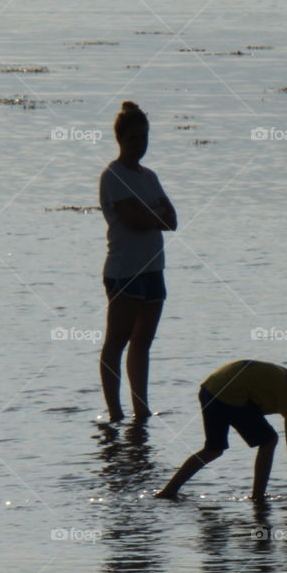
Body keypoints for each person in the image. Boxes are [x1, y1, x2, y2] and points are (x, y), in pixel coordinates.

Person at [155, 359, 287, 501]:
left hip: (210, 389)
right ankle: (258, 496)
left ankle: (168, 491)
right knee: (269, 440)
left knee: (213, 449)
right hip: (230, 394)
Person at [99, 101, 177, 423]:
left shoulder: (149, 176)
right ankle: (115, 412)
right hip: (125, 271)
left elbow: (171, 220)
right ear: (120, 139)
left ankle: (140, 409)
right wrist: (153, 214)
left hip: (153, 269)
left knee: (142, 343)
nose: (140, 145)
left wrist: (154, 214)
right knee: (117, 342)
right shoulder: (113, 175)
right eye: (134, 139)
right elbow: (135, 220)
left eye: (144, 138)